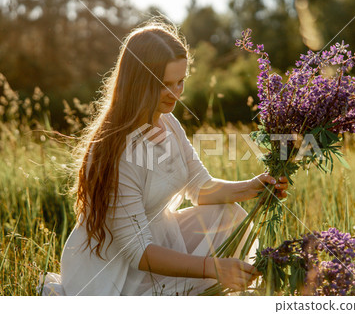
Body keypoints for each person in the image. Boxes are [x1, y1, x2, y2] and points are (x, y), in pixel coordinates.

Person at [39, 20, 288, 296]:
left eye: (180, 82)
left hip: (158, 236)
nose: (175, 94)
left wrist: (251, 187)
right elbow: (138, 252)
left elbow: (200, 187)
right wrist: (212, 267)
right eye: (164, 85)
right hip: (117, 268)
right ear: (138, 83)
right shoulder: (118, 151)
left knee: (229, 215)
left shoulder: (168, 123)